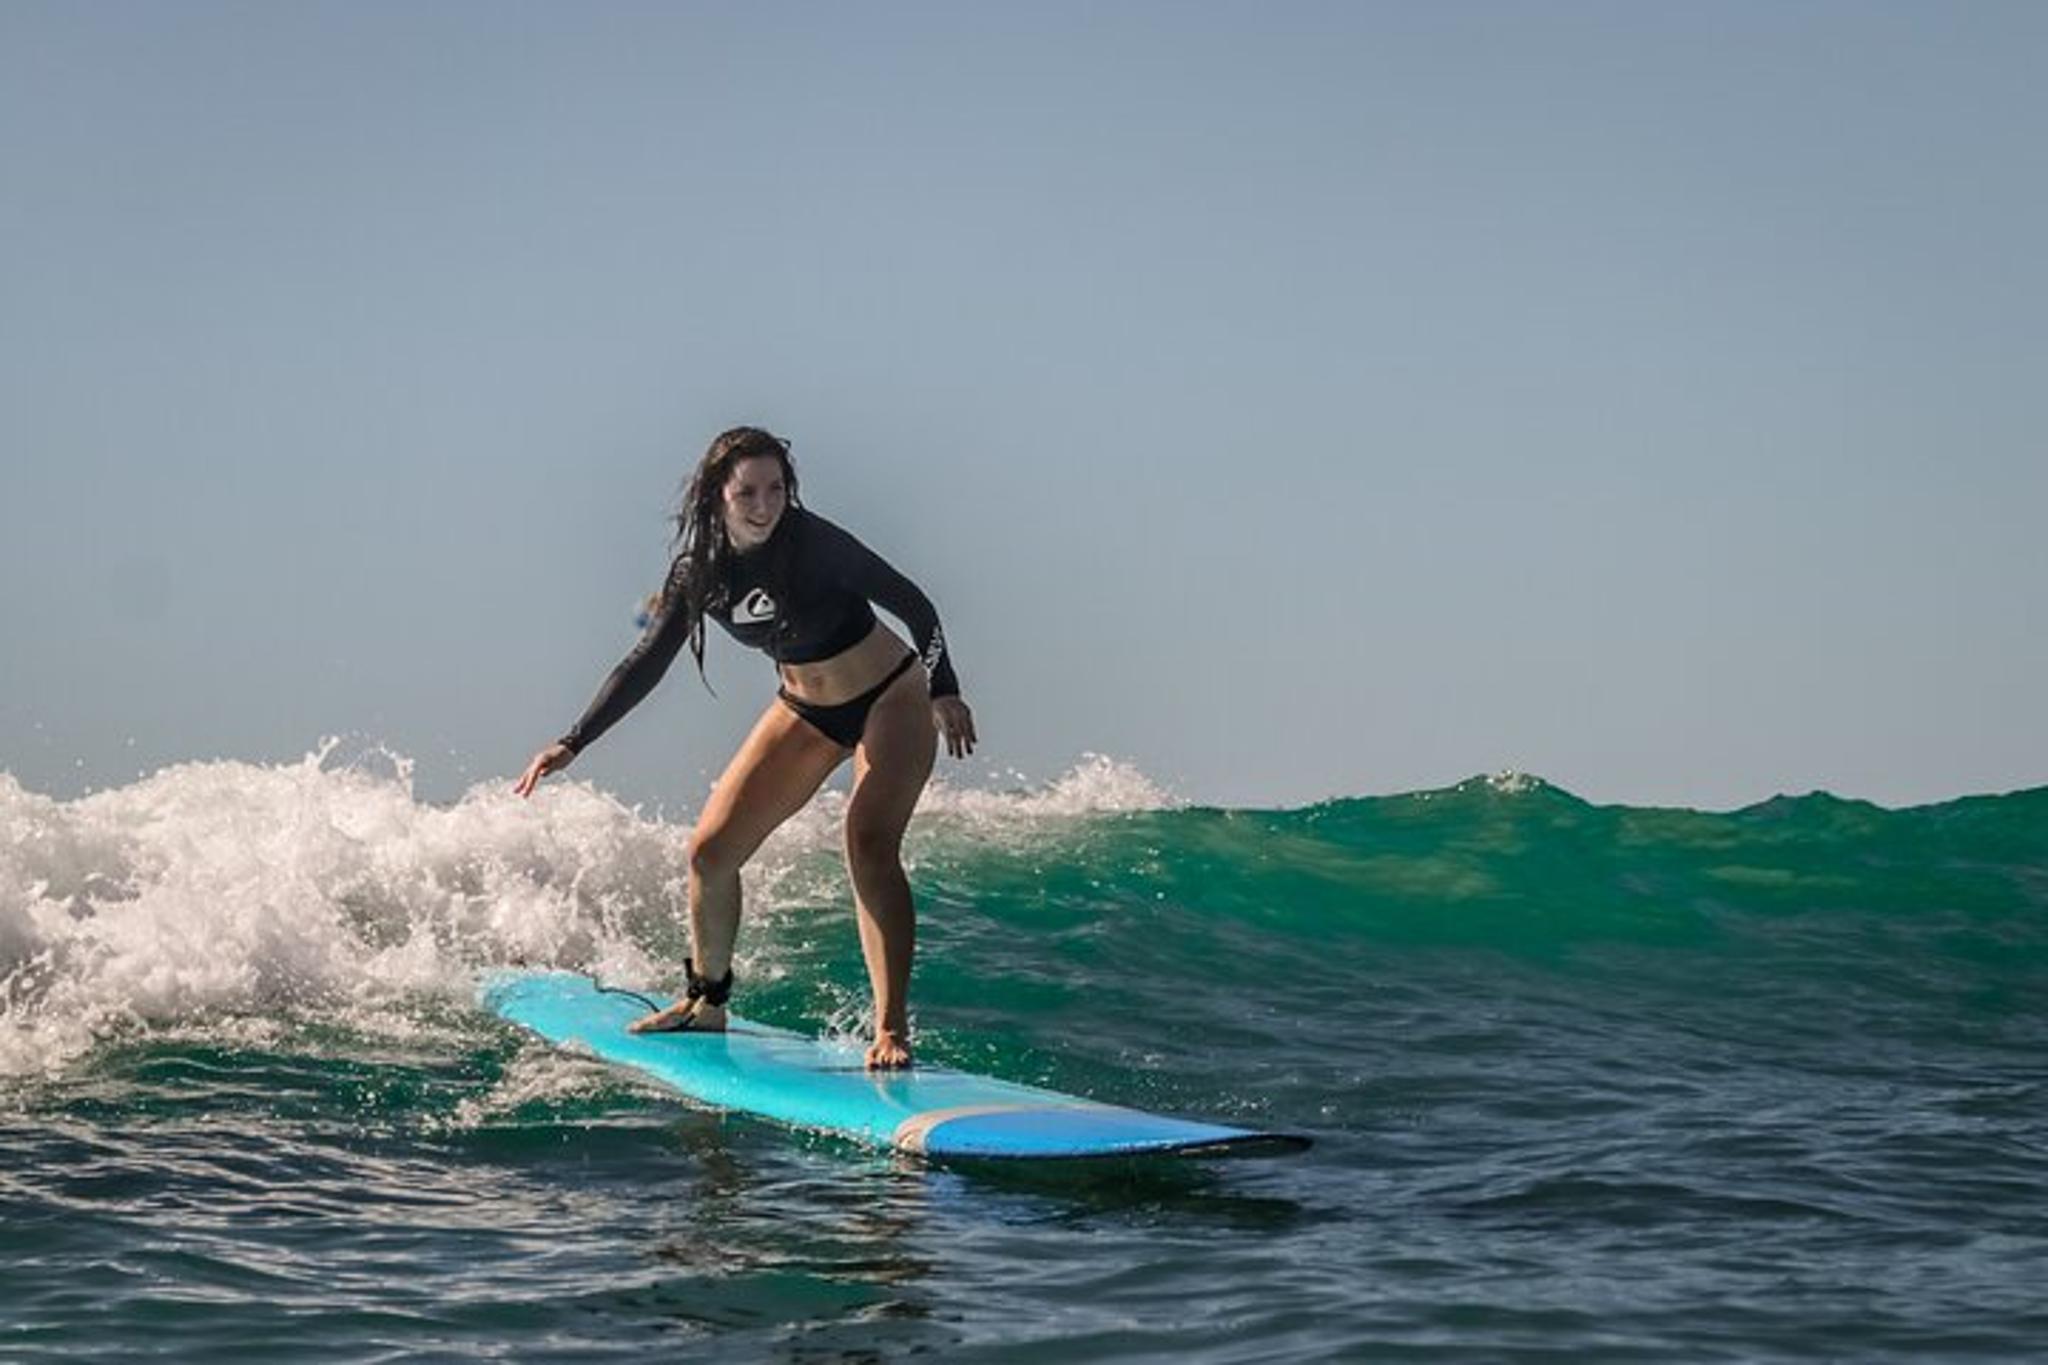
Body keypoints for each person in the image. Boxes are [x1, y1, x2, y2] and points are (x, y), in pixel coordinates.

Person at [514, 426, 976, 1070]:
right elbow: (647, 659)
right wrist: (574, 741)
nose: (764, 505)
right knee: (709, 852)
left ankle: (891, 1029)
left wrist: (944, 690)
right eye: (747, 492)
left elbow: (917, 606)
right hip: (806, 709)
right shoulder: (699, 574)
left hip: (892, 696)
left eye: (776, 490)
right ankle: (707, 1003)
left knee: (867, 841)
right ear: (717, 497)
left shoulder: (819, 545)